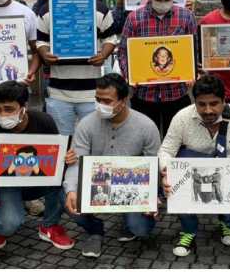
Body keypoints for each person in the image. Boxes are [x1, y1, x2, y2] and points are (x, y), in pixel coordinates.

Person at [159, 75, 230, 257]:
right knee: (176, 169)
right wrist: (165, 172)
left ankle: (226, 221)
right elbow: (166, 151)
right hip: (193, 174)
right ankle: (188, 229)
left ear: (224, 100)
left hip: (229, 176)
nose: (208, 110)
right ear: (194, 101)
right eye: (201, 104)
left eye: (214, 103)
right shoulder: (182, 117)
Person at [63, 73, 161, 258]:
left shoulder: (147, 126)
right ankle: (94, 230)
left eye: (107, 101)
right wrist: (71, 190)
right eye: (98, 99)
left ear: (124, 100)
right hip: (96, 184)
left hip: (132, 187)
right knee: (67, 199)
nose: (101, 105)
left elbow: (154, 165)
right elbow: (76, 162)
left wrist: (153, 196)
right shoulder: (86, 124)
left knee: (140, 229)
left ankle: (129, 221)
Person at [0, 81, 75, 251]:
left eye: (9, 109)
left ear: (24, 106)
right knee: (7, 225)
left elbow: (57, 158)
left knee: (63, 181)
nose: (2, 114)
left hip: (38, 181)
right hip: (6, 186)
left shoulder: (44, 121)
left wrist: (68, 156)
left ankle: (49, 225)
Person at [37, 0, 118, 137]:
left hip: (91, 93)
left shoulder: (99, 9)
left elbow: (111, 38)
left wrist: (103, 55)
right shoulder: (46, 11)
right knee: (63, 142)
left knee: (94, 141)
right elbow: (40, 40)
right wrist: (44, 53)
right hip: (58, 93)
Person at [117, 0, 197, 137]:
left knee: (178, 142)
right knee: (146, 143)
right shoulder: (134, 18)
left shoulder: (186, 17)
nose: (162, 2)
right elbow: (123, 52)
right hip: (144, 96)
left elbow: (194, 49)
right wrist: (129, 75)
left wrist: (192, 72)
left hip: (176, 94)